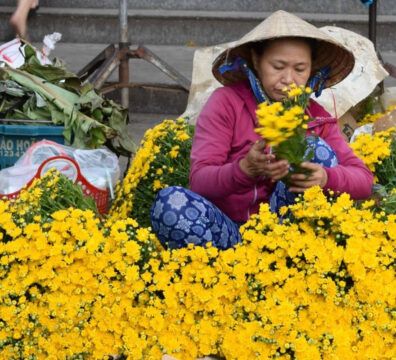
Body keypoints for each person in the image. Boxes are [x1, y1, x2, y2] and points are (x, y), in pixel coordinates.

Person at [150, 10, 373, 250]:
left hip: (286, 240)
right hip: (226, 234)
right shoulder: (226, 103)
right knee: (170, 203)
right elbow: (200, 182)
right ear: (256, 61)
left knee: (314, 150)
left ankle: (288, 271)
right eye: (277, 66)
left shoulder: (315, 116)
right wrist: (243, 170)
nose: (288, 78)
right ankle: (218, 278)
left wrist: (326, 178)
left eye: (299, 69)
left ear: (311, 70)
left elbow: (364, 182)